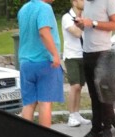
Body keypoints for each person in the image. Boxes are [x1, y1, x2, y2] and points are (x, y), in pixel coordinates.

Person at [77, 0, 115, 137]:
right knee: (93, 95)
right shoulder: (87, 4)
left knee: (105, 93)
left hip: (102, 52)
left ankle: (107, 129)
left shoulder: (108, 1)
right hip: (87, 52)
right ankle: (96, 128)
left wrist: (94, 23)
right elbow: (89, 25)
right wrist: (82, 24)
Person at [17, 0, 64, 128]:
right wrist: (55, 54)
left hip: (26, 62)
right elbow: (43, 32)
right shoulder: (44, 8)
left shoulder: (24, 9)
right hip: (44, 62)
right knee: (45, 102)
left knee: (29, 103)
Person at [61, 0, 86, 127]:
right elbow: (76, 33)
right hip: (71, 56)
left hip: (83, 54)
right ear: (74, 2)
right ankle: (71, 115)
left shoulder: (85, 17)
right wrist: (84, 23)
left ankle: (77, 114)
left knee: (80, 86)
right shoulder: (67, 17)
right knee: (74, 85)